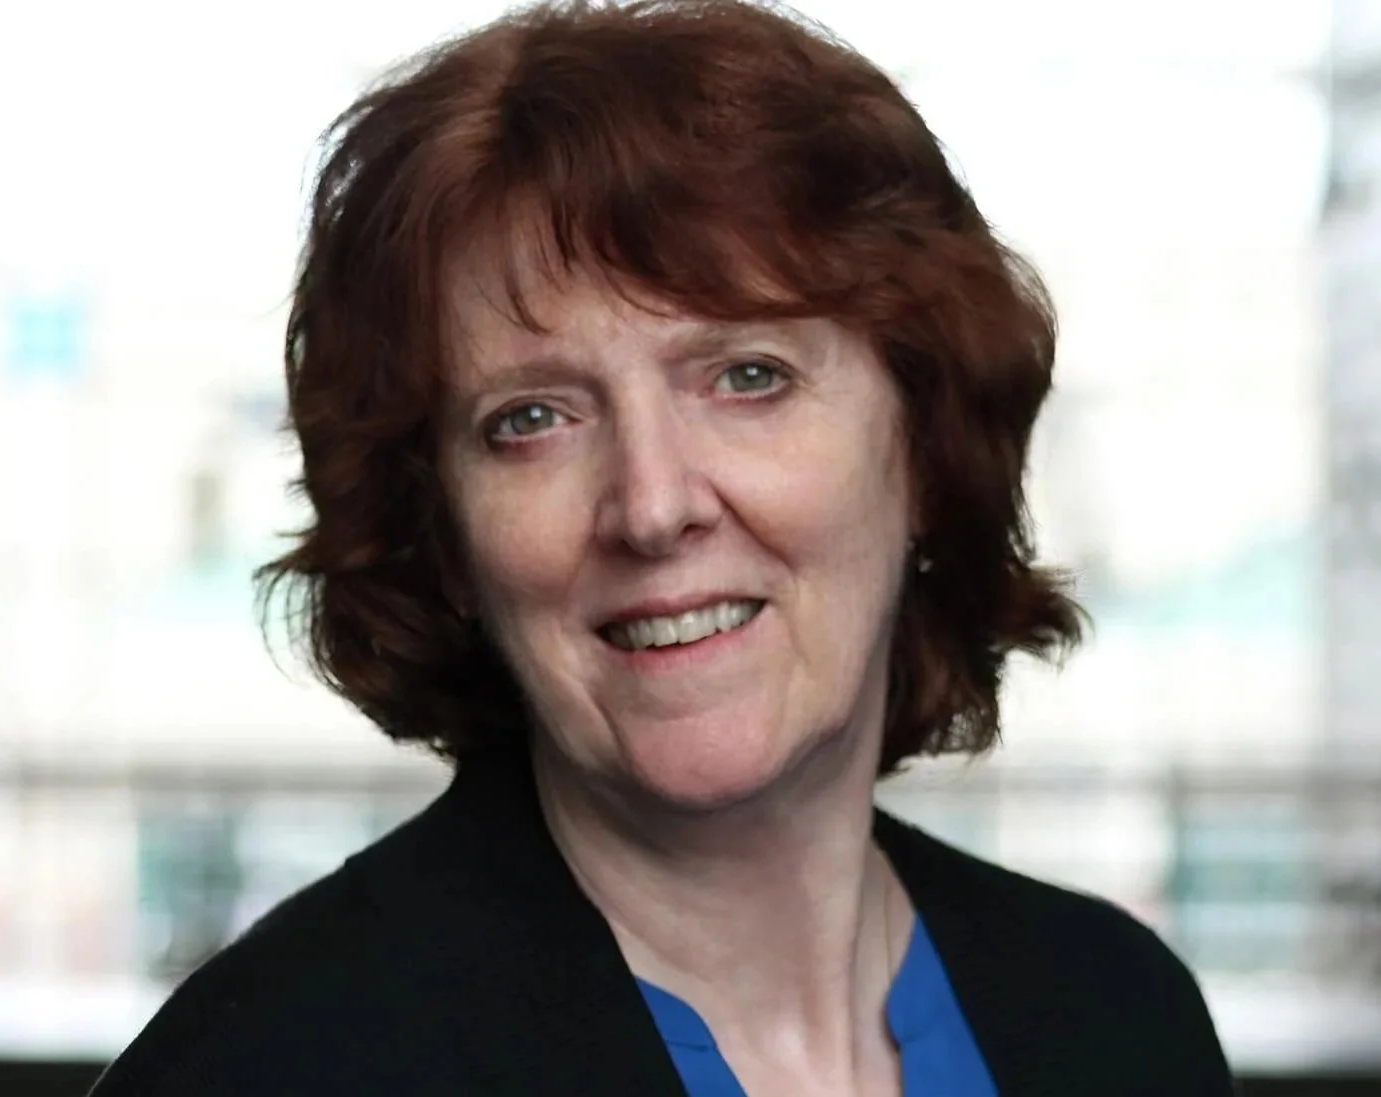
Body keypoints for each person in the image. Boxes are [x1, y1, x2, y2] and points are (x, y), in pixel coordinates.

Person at [89, 1, 1234, 1094]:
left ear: (925, 445)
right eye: (530, 418)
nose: (651, 504)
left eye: (748, 377)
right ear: (441, 532)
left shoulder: (1116, 1018)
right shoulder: (278, 1068)